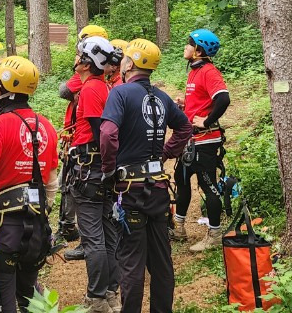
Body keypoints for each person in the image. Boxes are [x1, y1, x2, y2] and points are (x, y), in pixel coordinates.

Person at [100, 39, 193, 313]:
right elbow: (185, 127)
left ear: (130, 63)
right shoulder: (162, 97)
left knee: (132, 263)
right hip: (158, 190)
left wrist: (108, 169)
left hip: (131, 190)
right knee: (161, 262)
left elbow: (108, 133)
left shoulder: (120, 93)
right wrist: (164, 154)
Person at [0, 56, 60, 313]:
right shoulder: (45, 125)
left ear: (0, 90)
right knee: (28, 294)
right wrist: (43, 209)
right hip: (37, 228)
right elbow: (52, 182)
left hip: (3, 228)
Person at [68, 37, 123, 313]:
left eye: (79, 56)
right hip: (101, 169)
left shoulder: (90, 90)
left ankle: (97, 297)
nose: (76, 59)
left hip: (89, 169)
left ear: (87, 63)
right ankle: (111, 292)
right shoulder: (106, 87)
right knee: (108, 233)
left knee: (93, 238)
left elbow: (99, 131)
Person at [173, 29, 231, 251]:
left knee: (208, 185)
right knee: (181, 178)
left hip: (205, 140)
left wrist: (206, 121)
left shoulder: (209, 71)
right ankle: (179, 227)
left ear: (198, 50)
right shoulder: (195, 71)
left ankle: (214, 234)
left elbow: (223, 99)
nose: (185, 47)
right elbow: (203, 101)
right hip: (191, 140)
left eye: (189, 44)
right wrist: (186, 105)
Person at [58, 24, 109, 259]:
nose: (76, 55)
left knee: (92, 223)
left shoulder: (91, 87)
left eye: (80, 50)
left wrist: (107, 163)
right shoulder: (98, 83)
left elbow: (64, 90)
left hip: (89, 157)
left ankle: (81, 236)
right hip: (89, 150)